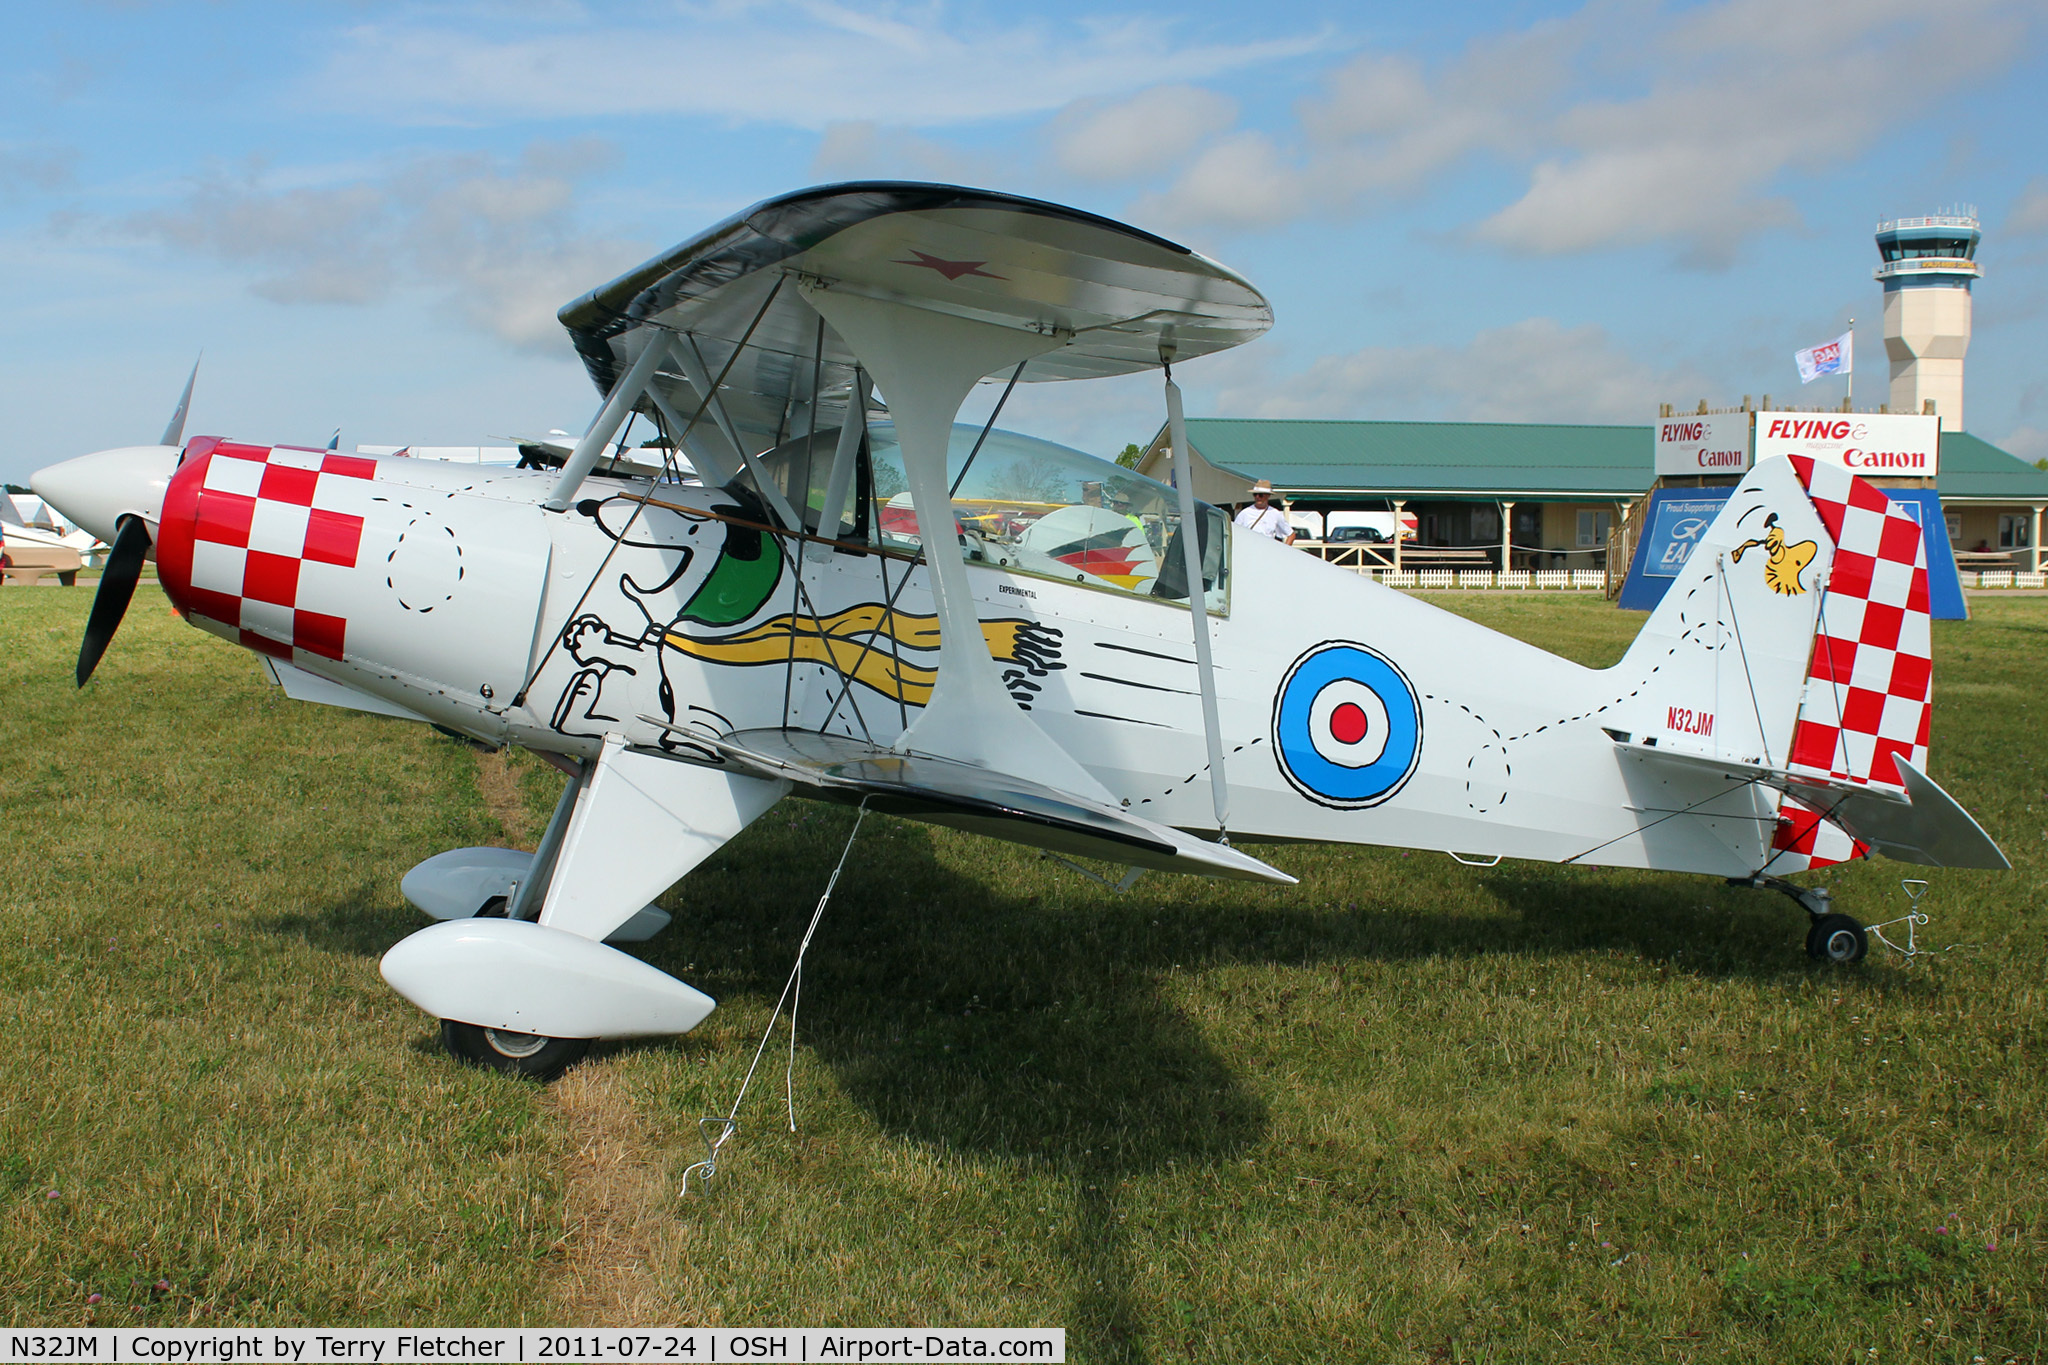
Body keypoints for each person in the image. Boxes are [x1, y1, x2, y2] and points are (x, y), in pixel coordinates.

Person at [1233, 480, 1296, 545]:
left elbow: (1291, 534)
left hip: (1267, 550)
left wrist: (1283, 552)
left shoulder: (1275, 514)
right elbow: (1234, 533)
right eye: (1255, 494)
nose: (1257, 497)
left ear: (1268, 496)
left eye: (1260, 495)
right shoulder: (1244, 513)